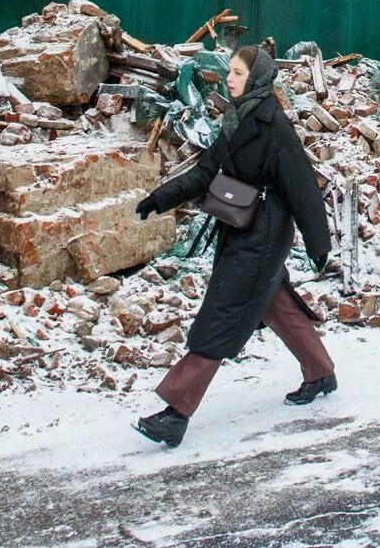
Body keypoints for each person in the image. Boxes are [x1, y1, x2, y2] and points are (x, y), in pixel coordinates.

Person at [130, 45, 334, 447]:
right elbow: (207, 172)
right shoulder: (234, 119)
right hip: (239, 224)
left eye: (238, 72)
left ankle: (176, 412)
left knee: (222, 313)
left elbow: (303, 187)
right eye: (231, 72)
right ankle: (321, 371)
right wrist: (161, 198)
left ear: (256, 77)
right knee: (274, 302)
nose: (230, 78)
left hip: (264, 234)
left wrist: (318, 242)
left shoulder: (274, 127)